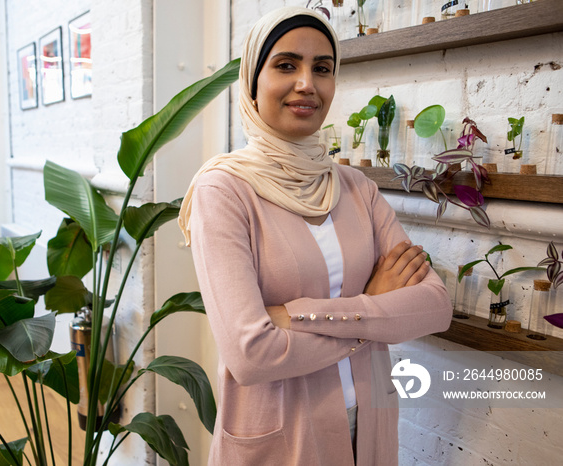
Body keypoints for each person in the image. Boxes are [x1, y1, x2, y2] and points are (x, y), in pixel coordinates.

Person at [178, 6, 452, 466]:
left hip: (371, 423)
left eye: (322, 69)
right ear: (253, 80)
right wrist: (375, 310)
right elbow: (251, 355)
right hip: (283, 438)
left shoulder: (355, 188)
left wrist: (292, 316)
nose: (307, 83)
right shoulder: (223, 190)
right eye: (287, 65)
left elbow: (435, 306)